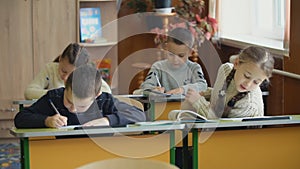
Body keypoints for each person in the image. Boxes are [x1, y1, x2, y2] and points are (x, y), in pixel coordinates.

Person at [14, 63, 146, 128]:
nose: (73, 109)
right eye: (69, 101)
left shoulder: (104, 100)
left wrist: (107, 120)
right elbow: (20, 118)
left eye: (81, 106)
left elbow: (139, 115)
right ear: (65, 86)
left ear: (96, 96)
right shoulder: (53, 98)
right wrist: (47, 120)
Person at [184, 46, 274, 119]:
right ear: (236, 63)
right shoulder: (225, 70)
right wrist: (207, 93)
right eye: (246, 76)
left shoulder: (249, 105)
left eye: (256, 82)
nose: (248, 84)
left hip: (237, 138)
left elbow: (219, 124)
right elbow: (224, 93)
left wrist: (198, 102)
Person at [24, 43, 111, 100]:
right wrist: (60, 94)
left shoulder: (86, 74)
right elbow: (29, 92)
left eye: (72, 75)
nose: (65, 78)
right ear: (60, 58)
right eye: (63, 71)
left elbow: (106, 91)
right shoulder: (50, 69)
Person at [134, 27, 207, 95]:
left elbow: (203, 86)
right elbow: (145, 86)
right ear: (166, 48)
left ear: (190, 52)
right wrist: (153, 90)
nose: (175, 60)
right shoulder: (158, 67)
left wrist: (183, 90)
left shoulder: (194, 68)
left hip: (187, 107)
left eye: (181, 56)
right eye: (171, 54)